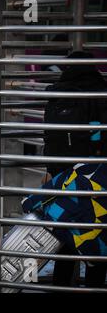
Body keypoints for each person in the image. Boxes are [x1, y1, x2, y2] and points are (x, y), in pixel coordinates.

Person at [42, 51, 107, 288]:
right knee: (97, 230)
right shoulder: (100, 93)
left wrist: (51, 170)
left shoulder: (58, 93)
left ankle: (61, 283)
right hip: (95, 174)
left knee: (66, 230)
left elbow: (49, 136)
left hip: (62, 173)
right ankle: (95, 285)